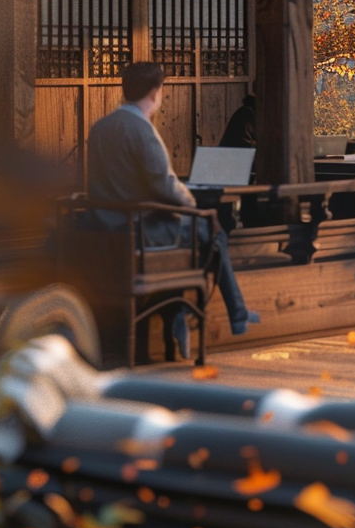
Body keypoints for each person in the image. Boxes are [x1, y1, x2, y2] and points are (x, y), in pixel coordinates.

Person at [87, 62, 258, 357]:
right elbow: (165, 185)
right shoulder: (142, 131)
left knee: (196, 234)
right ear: (156, 92)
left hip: (104, 227)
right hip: (140, 231)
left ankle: (182, 312)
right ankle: (229, 314)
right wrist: (191, 202)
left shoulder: (100, 127)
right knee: (211, 229)